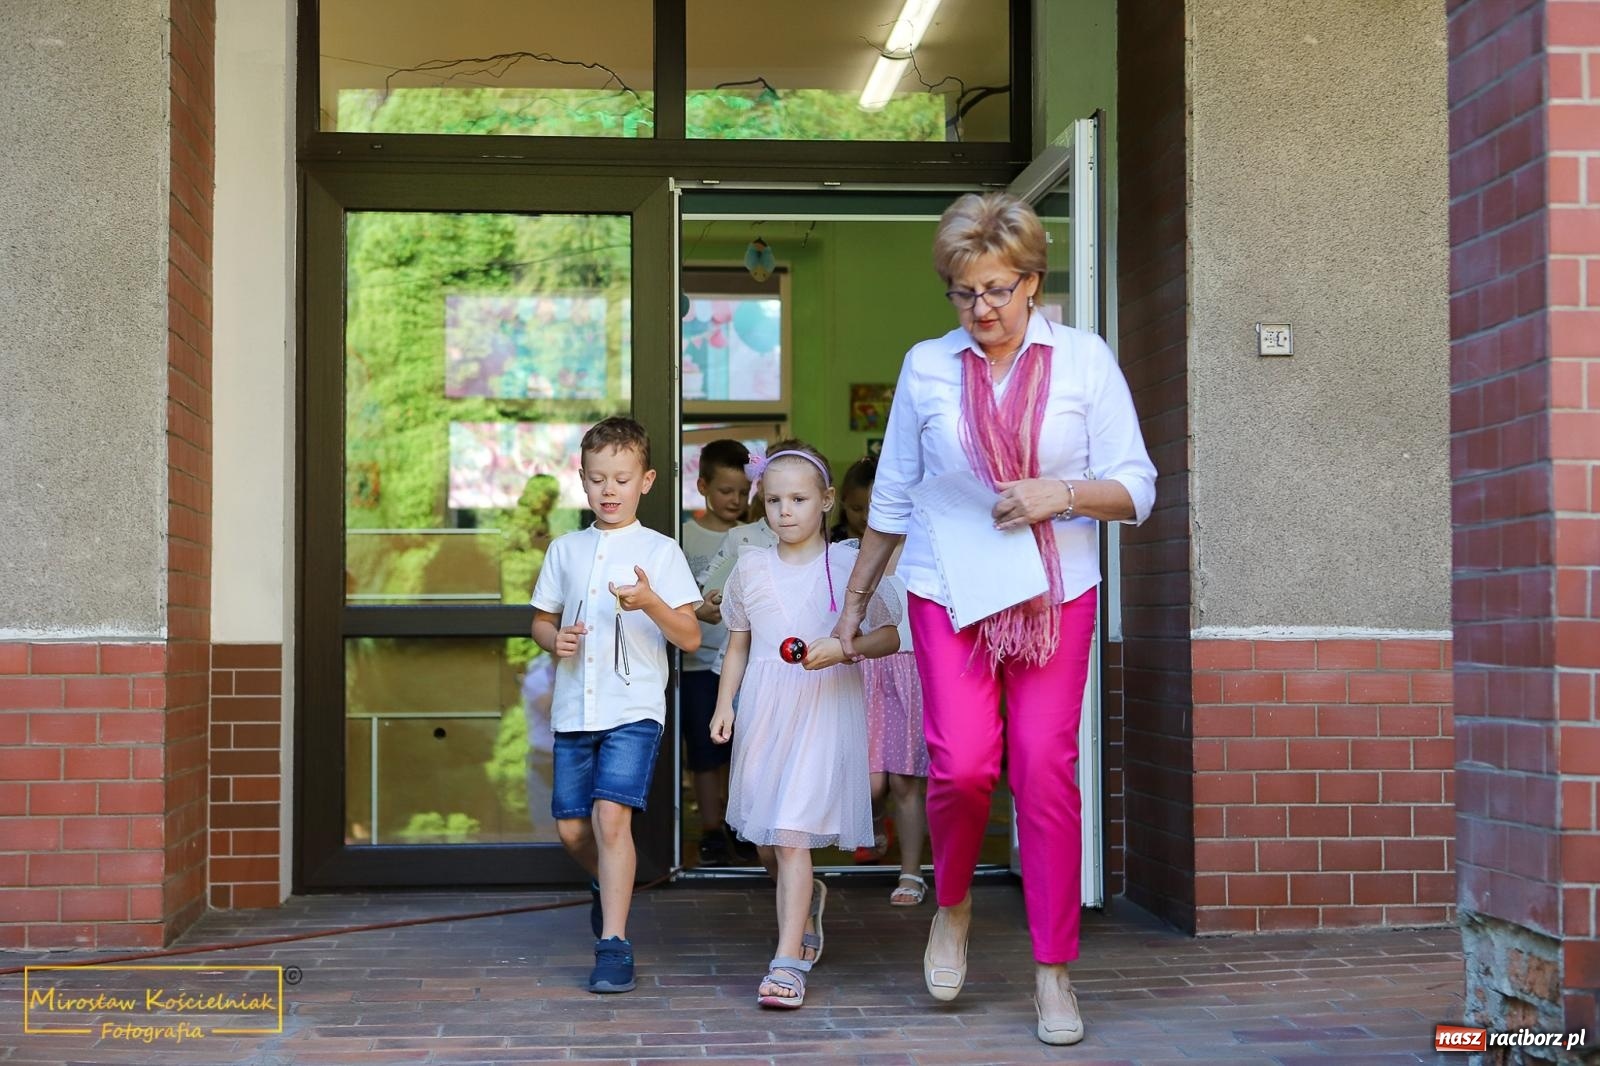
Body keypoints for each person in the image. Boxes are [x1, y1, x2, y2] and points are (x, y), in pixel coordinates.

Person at [832, 192, 1156, 1046]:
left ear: (1033, 281)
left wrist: (1064, 493)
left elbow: (1139, 487)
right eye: (964, 292)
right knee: (963, 764)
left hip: (1056, 595)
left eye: (998, 290)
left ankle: (1053, 971)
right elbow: (894, 495)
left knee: (1044, 769)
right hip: (949, 591)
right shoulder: (927, 367)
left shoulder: (1084, 361)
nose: (981, 309)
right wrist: (856, 602)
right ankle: (953, 905)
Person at [709, 441, 902, 1009]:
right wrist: (724, 705)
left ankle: (787, 962)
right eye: (773, 500)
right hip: (764, 709)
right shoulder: (750, 567)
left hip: (822, 709)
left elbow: (892, 634)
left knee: (792, 835)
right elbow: (738, 644)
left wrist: (845, 649)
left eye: (797, 499)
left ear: (826, 500)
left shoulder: (849, 566)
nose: (785, 511)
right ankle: (808, 899)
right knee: (769, 840)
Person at [530, 416, 703, 995]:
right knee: (572, 829)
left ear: (646, 481)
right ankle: (608, 884)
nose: (609, 490)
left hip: (634, 711)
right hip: (574, 711)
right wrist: (554, 639)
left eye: (622, 479)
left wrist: (650, 600)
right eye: (598, 478)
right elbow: (541, 620)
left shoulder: (661, 551)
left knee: (610, 818)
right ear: (582, 479)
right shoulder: (566, 549)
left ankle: (614, 943)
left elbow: (690, 637)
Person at [835, 456, 931, 903]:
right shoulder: (847, 555)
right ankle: (872, 818)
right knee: (871, 781)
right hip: (866, 670)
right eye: (860, 508)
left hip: (913, 670)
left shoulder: (924, 551)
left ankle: (911, 872)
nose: (870, 516)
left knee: (906, 780)